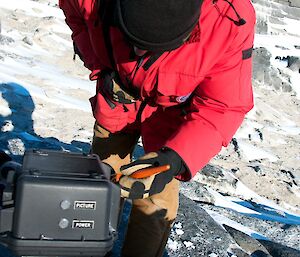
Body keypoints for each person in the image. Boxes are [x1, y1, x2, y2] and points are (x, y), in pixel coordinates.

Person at [59, 0, 256, 256]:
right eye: (132, 40)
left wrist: (175, 159)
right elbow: (75, 16)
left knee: (155, 200)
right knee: (100, 179)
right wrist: (102, 66)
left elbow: (222, 105)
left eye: (152, 48)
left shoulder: (228, 20)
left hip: (173, 113)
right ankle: (90, 248)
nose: (138, 53)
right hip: (116, 101)